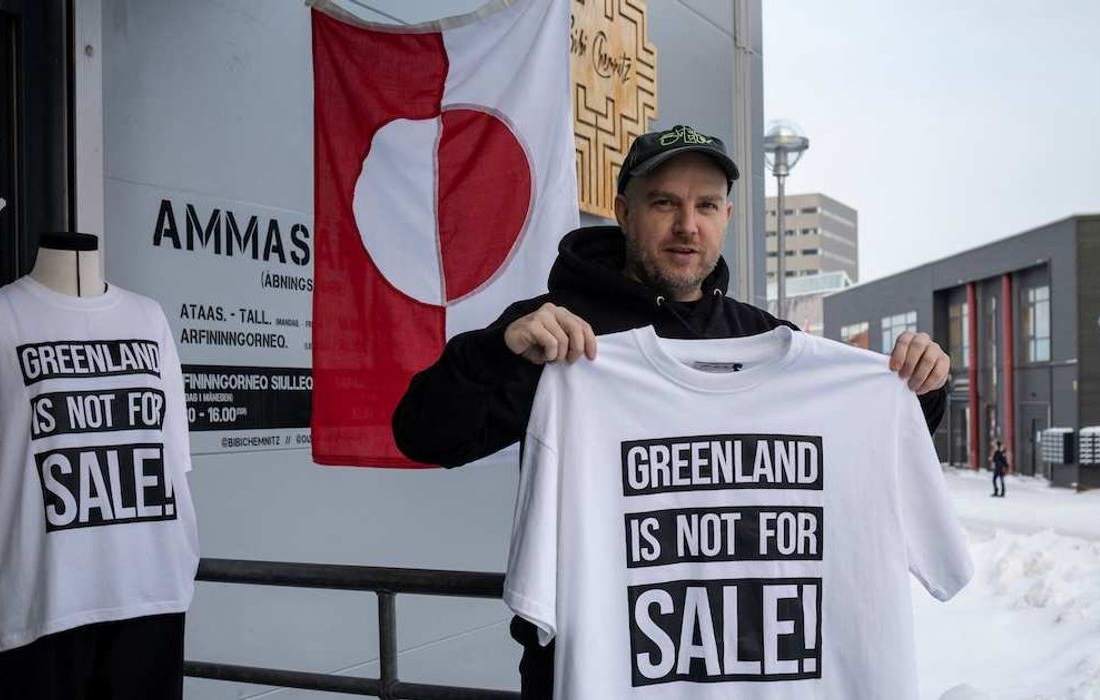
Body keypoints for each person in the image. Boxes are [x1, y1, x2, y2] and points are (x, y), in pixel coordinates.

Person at [392, 124, 952, 697]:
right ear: (623, 212)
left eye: (706, 205)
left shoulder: (767, 341)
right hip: (598, 672)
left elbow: (859, 452)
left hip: (758, 675)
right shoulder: (557, 336)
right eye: (665, 203)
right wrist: (494, 351)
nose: (688, 226)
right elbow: (421, 435)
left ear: (727, 217)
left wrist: (918, 388)